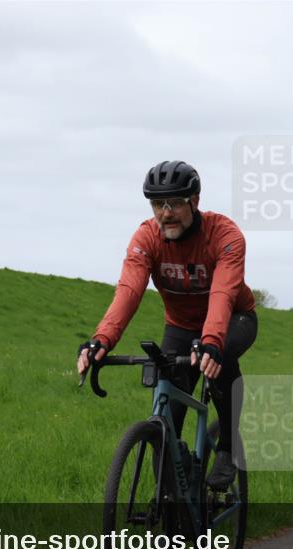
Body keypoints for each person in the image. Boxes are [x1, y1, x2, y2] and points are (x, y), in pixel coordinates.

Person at [76, 160, 257, 490]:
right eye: (158, 204)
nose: (165, 213)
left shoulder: (225, 235)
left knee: (221, 361)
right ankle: (173, 511)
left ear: (195, 201)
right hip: (181, 326)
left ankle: (229, 448)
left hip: (232, 320)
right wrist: (102, 339)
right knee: (166, 421)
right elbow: (129, 290)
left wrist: (213, 342)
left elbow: (221, 293)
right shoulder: (147, 238)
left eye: (174, 203)